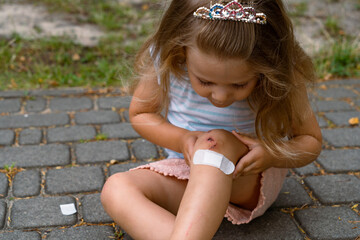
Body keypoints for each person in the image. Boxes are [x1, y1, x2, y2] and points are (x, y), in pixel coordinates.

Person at [101, 0, 322, 239]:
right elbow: (141, 114)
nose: (220, 97)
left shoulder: (283, 70)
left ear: (267, 65)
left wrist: (272, 153)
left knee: (214, 142)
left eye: (239, 84)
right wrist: (182, 138)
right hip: (186, 173)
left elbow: (310, 140)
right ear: (180, 49)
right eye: (205, 81)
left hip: (245, 178)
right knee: (116, 188)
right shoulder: (167, 57)